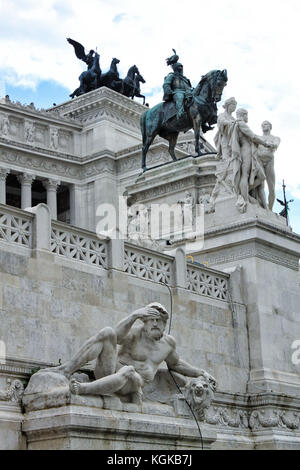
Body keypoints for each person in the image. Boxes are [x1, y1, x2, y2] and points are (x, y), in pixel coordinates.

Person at [47, 303, 204, 404]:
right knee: (107, 332)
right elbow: (116, 336)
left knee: (129, 371)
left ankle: (82, 389)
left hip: (132, 384)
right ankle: (65, 370)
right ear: (144, 321)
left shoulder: (168, 344)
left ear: (165, 324)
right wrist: (134, 315)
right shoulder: (135, 333)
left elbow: (176, 364)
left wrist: (201, 372)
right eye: (151, 320)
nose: (155, 324)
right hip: (108, 373)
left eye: (159, 321)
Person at [230, 109, 273, 212]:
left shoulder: (239, 124)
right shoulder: (241, 124)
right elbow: (253, 136)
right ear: (244, 115)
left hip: (250, 152)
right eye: (247, 115)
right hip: (246, 151)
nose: (247, 117)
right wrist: (266, 143)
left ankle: (245, 191)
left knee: (262, 176)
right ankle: (245, 200)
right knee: (245, 175)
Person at [257, 121, 280, 210]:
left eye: (265, 124)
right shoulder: (258, 137)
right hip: (259, 161)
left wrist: (271, 144)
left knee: (272, 188)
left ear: (270, 126)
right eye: (262, 125)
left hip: (269, 161)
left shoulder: (275, 138)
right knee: (261, 185)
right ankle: (265, 207)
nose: (263, 126)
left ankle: (270, 208)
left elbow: (276, 144)